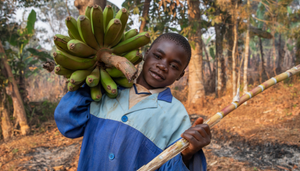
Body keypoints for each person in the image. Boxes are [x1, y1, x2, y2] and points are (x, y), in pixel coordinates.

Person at [54, 33, 211, 171]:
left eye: (174, 66)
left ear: (180, 74)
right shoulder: (107, 89)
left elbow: (169, 166)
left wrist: (187, 153)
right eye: (158, 56)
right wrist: (91, 78)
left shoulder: (176, 115)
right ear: (146, 53)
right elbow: (68, 125)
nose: (163, 66)